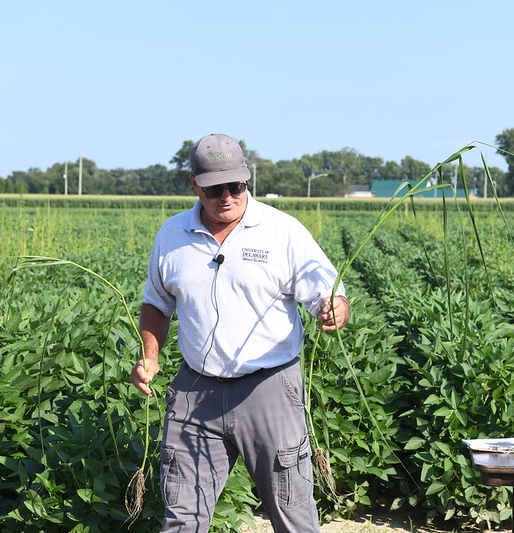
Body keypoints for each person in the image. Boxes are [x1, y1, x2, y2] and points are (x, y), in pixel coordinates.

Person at [130, 133, 350, 532]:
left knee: (291, 510)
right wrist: (150, 354)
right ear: (195, 184)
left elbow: (327, 291)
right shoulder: (172, 235)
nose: (228, 196)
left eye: (237, 185)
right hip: (196, 390)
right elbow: (156, 304)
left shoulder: (282, 231)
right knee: (183, 515)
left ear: (247, 179)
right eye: (216, 188)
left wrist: (334, 309)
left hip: (269, 389)